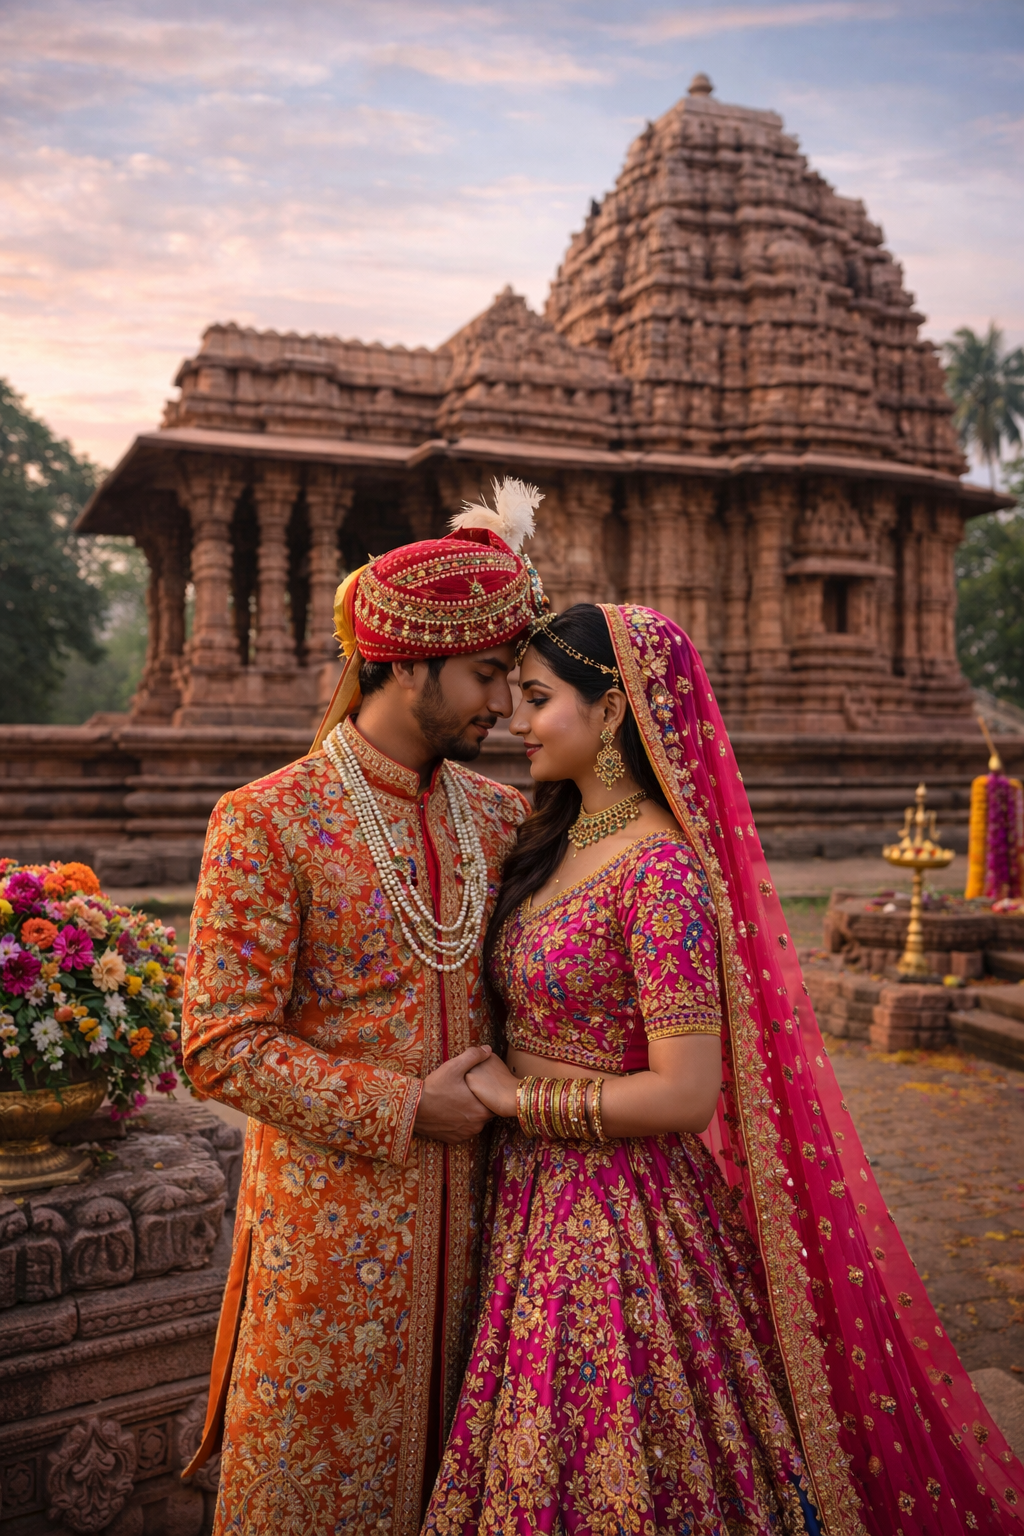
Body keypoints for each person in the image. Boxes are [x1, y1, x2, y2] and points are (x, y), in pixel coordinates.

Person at [423, 602, 1024, 1536]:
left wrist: (517, 1097)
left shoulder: (659, 870)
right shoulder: (549, 840)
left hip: (616, 1221)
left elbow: (686, 1091)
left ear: (613, 711)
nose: (512, 718)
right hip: (526, 1198)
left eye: (537, 698)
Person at [180, 481, 549, 1536]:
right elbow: (218, 1045)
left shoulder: (501, 817)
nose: (501, 707)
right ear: (404, 662)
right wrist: (400, 1110)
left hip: (488, 1235)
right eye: (485, 676)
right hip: (328, 1252)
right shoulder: (268, 820)